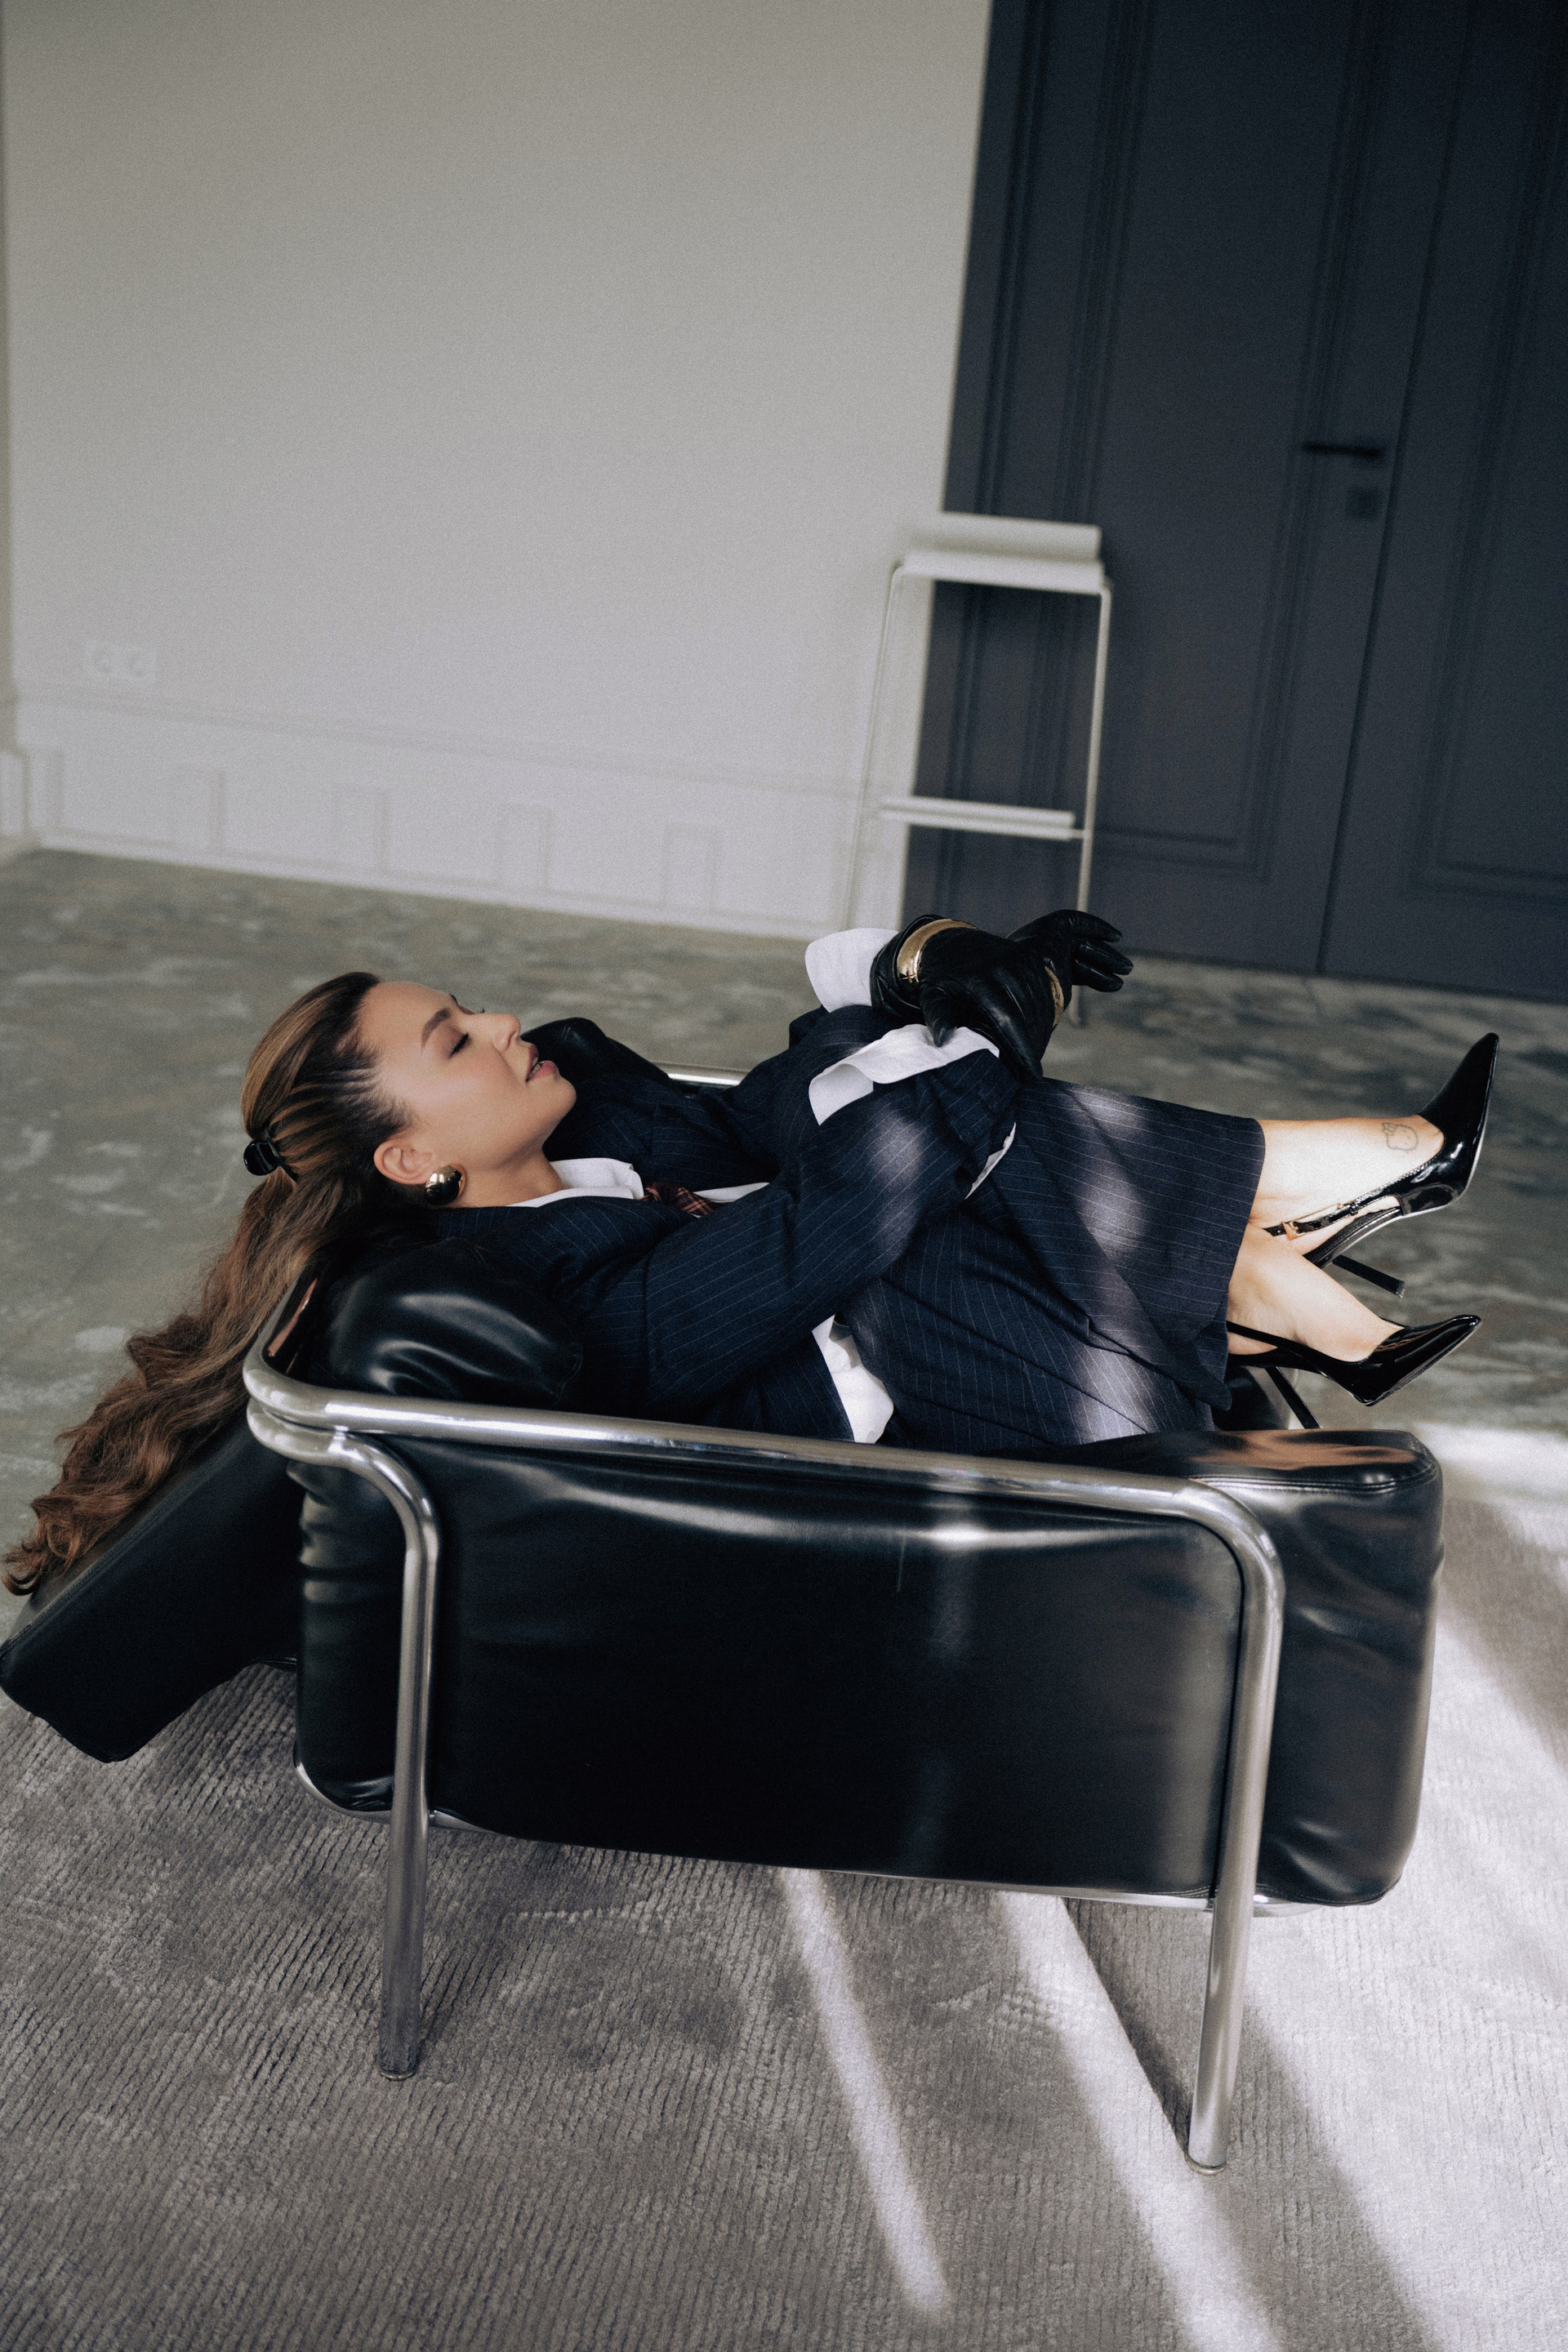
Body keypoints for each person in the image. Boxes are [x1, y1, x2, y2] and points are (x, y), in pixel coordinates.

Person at [3, 909, 1491, 1595]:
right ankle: (1319, 1227)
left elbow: (786, 1104)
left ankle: (1286, 1271)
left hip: (986, 1316)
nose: (502, 1023)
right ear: (410, 1160)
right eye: (456, 1042)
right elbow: (826, 1221)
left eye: (467, 1004)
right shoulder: (526, 1284)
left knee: (881, 1110)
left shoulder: (587, 1098)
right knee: (930, 1168)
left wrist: (926, 964)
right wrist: (989, 1031)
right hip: (1006, 1402)